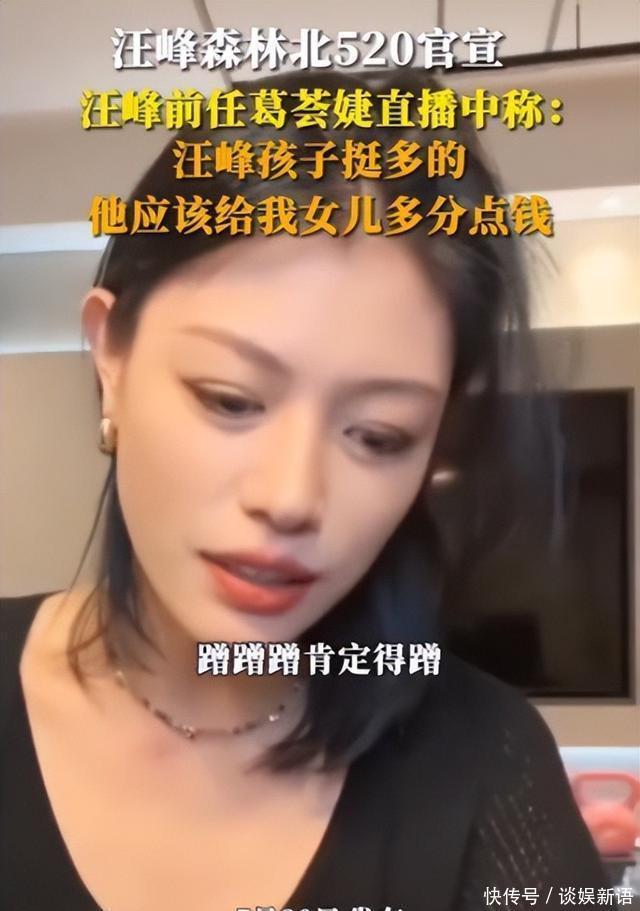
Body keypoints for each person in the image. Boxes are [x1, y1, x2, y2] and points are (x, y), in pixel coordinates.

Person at [0, 69, 612, 911]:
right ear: (112, 359)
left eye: (379, 436)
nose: (292, 497)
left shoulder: (489, 764)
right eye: (230, 400)